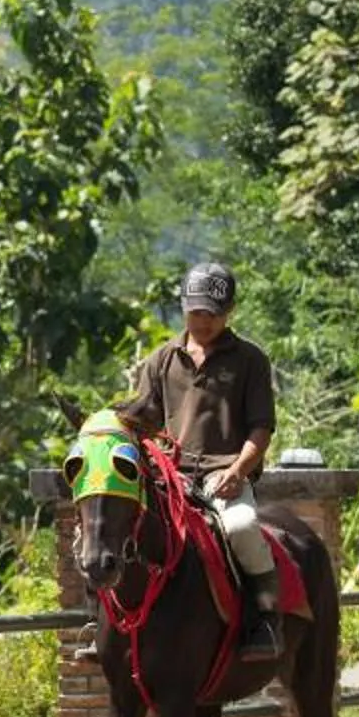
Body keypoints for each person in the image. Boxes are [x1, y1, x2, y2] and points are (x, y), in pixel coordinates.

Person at [117, 261, 283, 656]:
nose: (203, 321)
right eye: (196, 312)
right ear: (183, 308)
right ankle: (105, 623)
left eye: (213, 314)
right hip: (167, 478)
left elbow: (262, 428)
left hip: (222, 477)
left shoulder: (250, 360)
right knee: (113, 529)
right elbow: (139, 420)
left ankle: (264, 619)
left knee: (241, 526)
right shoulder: (161, 360)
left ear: (230, 312)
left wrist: (238, 470)